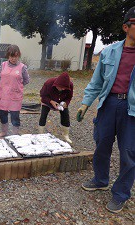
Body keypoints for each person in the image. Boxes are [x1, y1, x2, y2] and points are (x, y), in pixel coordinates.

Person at [76, 6, 135, 213]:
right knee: (101, 144)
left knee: (129, 152)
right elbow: (96, 81)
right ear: (126, 27)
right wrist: (85, 104)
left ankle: (120, 194)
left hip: (132, 111)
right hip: (109, 104)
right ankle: (100, 179)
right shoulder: (109, 51)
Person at [0, 44, 30, 137]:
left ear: (18, 55)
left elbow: (26, 80)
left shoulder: (22, 67)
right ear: (8, 55)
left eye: (16, 56)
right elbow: (1, 76)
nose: (14, 59)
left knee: (15, 116)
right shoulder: (3, 65)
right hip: (3, 95)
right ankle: (4, 132)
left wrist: (17, 87)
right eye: (11, 56)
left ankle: (15, 133)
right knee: (2, 114)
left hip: (15, 97)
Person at [38, 72, 73, 144]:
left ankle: (65, 135)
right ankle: (40, 134)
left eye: (64, 88)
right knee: (43, 116)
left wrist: (66, 103)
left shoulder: (70, 85)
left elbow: (69, 97)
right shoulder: (48, 83)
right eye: (60, 87)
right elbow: (43, 96)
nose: (62, 89)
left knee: (65, 116)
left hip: (61, 103)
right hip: (48, 101)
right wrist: (51, 101)